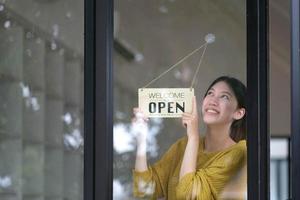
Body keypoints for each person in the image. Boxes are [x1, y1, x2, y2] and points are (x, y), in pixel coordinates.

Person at [132, 76, 247, 200]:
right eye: (210, 93)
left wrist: (193, 137)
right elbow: (144, 190)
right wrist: (141, 140)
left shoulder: (240, 152)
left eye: (224, 96)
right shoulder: (182, 146)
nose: (213, 100)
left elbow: (188, 194)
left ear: (238, 113)